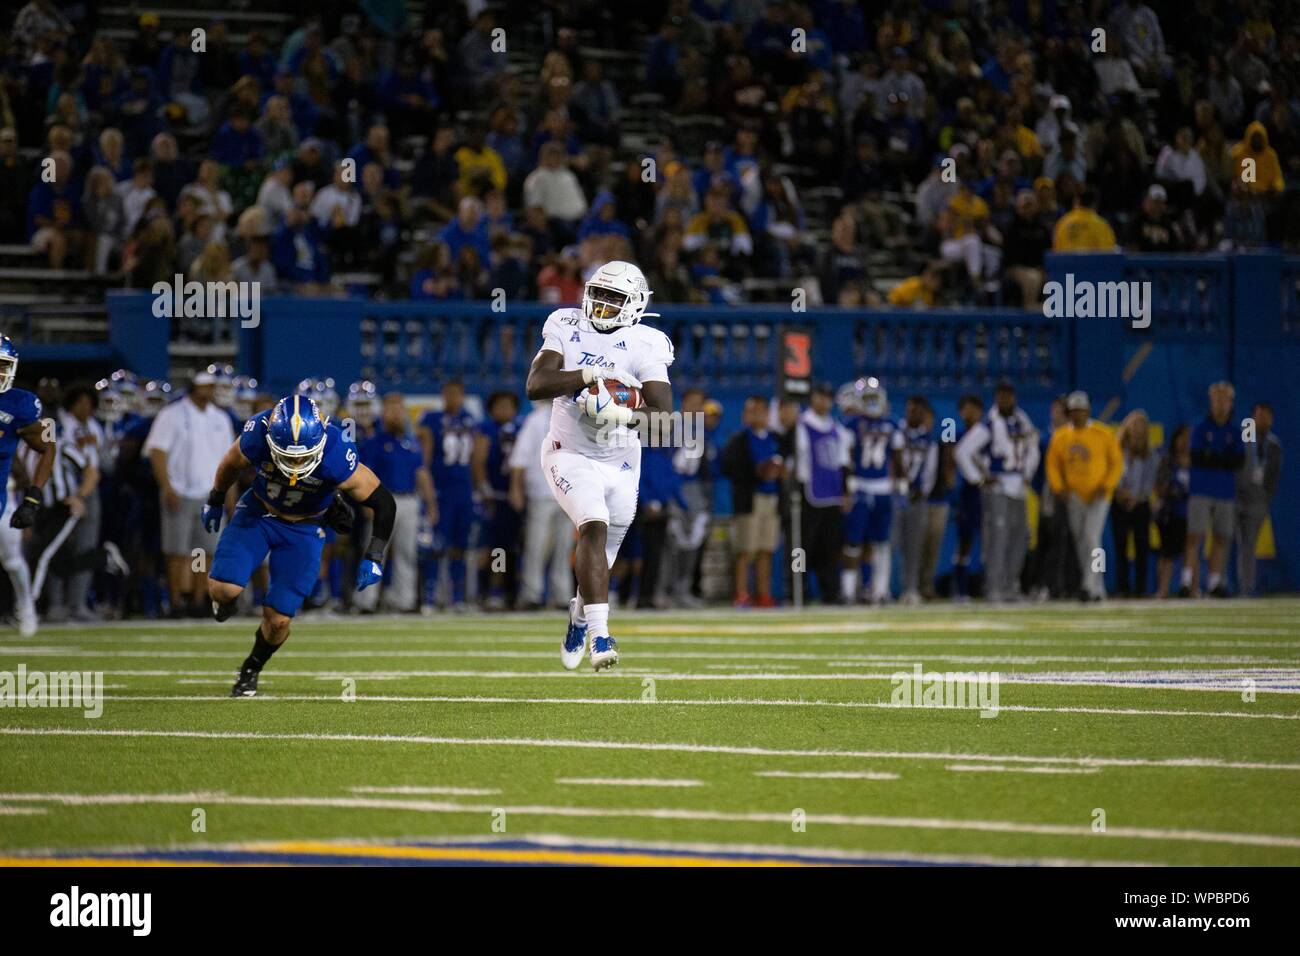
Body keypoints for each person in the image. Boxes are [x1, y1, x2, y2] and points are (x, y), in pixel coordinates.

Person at [524, 259, 674, 670]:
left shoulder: (647, 342)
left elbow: (665, 420)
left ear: (635, 304)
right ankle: (600, 637)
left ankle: (578, 615)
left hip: (622, 462)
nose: (602, 304)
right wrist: (588, 375)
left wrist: (618, 413)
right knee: (593, 523)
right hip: (568, 452)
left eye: (614, 297)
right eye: (599, 294)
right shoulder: (565, 322)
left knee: (602, 561)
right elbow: (536, 385)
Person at [203, 394, 398, 697]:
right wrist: (215, 498)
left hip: (305, 528)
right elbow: (231, 462)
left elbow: (384, 503)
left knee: (279, 620)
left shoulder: (336, 450)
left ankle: (251, 668)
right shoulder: (257, 433)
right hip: (259, 512)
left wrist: (374, 555)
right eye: (288, 456)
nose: (295, 465)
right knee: (224, 589)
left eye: (302, 456)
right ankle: (225, 601)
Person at [142, 369, 235, 617]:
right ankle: (174, 602)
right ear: (195, 387)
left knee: (203, 552)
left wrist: (230, 493)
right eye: (207, 386)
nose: (212, 390)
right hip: (180, 491)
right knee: (176, 552)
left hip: (210, 494)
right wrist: (167, 487)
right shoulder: (171, 414)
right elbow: (157, 452)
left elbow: (230, 460)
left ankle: (198, 600)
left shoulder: (220, 418)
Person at [954, 381, 1039, 602]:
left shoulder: (1022, 422)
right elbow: (962, 451)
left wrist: (1028, 472)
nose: (1005, 400)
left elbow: (1033, 448)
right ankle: (994, 587)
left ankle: (1011, 585)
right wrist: (980, 479)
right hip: (998, 488)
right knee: (997, 539)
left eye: (1008, 396)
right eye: (1001, 396)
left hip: (1019, 487)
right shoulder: (989, 424)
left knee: (1019, 538)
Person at [355, 393, 433, 612]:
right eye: (391, 409)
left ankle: (405, 600)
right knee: (375, 551)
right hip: (383, 500)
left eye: (399, 409)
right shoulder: (374, 442)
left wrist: (431, 503)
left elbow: (421, 473)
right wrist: (367, 502)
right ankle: (365, 601)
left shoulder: (411, 442)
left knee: (407, 553)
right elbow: (364, 475)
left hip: (409, 500)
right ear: (383, 412)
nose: (396, 414)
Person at [0, 336, 56, 636]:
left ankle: (26, 606)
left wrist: (33, 495)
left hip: (2, 495)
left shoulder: (18, 404)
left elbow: (48, 446)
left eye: (2, 365)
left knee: (11, 560)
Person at [1045, 392, 1123, 602]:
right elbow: (1053, 465)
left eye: (1081, 410)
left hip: (1099, 496)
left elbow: (1116, 463)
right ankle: (1098, 587)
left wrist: (1106, 485)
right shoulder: (1061, 436)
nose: (1077, 415)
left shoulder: (1102, 433)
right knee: (1082, 541)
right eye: (1074, 411)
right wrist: (1059, 488)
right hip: (1074, 496)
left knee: (1091, 537)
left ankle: (1088, 585)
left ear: (1088, 411)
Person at [839, 377, 903, 605]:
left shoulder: (892, 424)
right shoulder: (851, 425)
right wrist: (847, 488)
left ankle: (880, 590)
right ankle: (849, 590)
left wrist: (901, 485)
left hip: (880, 486)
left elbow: (898, 458)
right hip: (861, 485)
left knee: (881, 542)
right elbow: (846, 460)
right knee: (854, 541)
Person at [720, 395, 783, 608]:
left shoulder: (775, 438)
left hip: (771, 499)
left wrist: (778, 472)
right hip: (750, 499)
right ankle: (742, 593)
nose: (752, 415)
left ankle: (763, 594)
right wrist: (757, 471)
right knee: (745, 549)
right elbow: (728, 467)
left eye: (756, 411)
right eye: (749, 411)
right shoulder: (739, 439)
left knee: (766, 549)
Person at [418, 381, 476, 611]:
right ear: (443, 395)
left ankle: (457, 596)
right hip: (442, 490)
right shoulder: (431, 419)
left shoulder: (469, 419)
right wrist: (428, 492)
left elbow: (475, 458)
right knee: (435, 545)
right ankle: (430, 596)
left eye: (457, 394)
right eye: (449, 393)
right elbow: (424, 459)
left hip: (464, 490)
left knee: (460, 545)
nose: (453, 398)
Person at [509, 401, 572, 609]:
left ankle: (562, 595)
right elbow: (520, 456)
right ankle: (531, 594)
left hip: (569, 493)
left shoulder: (576, 416)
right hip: (541, 492)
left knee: (564, 547)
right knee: (536, 546)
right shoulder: (536, 420)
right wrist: (516, 488)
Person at [1183, 381, 1242, 598]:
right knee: (1194, 536)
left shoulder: (1236, 430)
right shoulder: (1200, 427)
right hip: (1201, 489)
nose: (1221, 404)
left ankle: (1215, 583)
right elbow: (1197, 457)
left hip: (1225, 492)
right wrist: (1223, 459)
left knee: (1221, 537)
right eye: (1217, 400)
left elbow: (1238, 461)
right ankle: (1187, 582)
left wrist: (1214, 457)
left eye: (1225, 400)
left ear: (1231, 402)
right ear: (1211, 401)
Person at [793, 382, 848, 605]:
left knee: (831, 547)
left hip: (832, 494)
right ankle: (799, 590)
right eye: (819, 396)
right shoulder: (802, 425)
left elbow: (843, 463)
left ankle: (831, 591)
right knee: (803, 546)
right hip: (809, 493)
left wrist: (846, 492)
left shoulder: (837, 428)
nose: (823, 401)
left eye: (827, 397)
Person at [473, 391, 521, 609]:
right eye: (500, 405)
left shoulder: (520, 429)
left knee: (512, 546)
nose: (504, 410)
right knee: (495, 548)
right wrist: (485, 491)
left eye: (508, 405)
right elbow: (478, 462)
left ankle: (509, 590)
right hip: (495, 496)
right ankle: (492, 588)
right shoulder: (487, 430)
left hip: (515, 497)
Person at [1235, 402, 1281, 597]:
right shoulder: (1246, 435)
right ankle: (1218, 584)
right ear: (1253, 417)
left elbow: (1273, 476)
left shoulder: (1273, 444)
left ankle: (1246, 588)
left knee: (1249, 545)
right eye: (1259, 415)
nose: (1262, 419)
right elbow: (1237, 463)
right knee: (1227, 541)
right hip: (1237, 497)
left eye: (1266, 416)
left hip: (1257, 500)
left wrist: (1265, 500)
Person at [1111, 410, 1158, 596]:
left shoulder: (1150, 455)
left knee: (1141, 548)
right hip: (1119, 504)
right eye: (1134, 425)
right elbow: (1112, 476)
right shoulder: (1116, 450)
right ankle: (1122, 588)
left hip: (1140, 505)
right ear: (1127, 427)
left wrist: (1135, 498)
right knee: (1120, 548)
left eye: (1141, 426)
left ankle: (1140, 589)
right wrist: (1121, 494)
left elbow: (1149, 482)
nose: (1137, 430)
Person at [898, 395, 938, 604]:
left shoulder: (929, 439)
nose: (914, 414)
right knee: (889, 543)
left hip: (917, 497)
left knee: (914, 546)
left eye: (918, 411)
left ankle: (911, 588)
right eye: (911, 410)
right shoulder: (897, 431)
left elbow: (931, 469)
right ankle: (878, 589)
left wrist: (923, 491)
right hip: (896, 495)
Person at [1154, 424, 1191, 599]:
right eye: (1182, 438)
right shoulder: (1167, 460)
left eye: (1188, 438)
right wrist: (1175, 492)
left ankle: (1191, 588)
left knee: (1190, 550)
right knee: (1167, 552)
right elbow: (1158, 486)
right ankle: (1163, 590)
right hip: (1169, 512)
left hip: (1190, 512)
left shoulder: (1197, 461)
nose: (1185, 442)